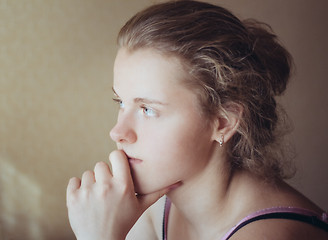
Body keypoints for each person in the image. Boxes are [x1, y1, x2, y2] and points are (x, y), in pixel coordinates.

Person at [66, 1, 328, 239]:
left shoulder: (269, 235)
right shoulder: (149, 206)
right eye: (121, 103)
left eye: (147, 109)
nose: (117, 132)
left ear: (223, 122)